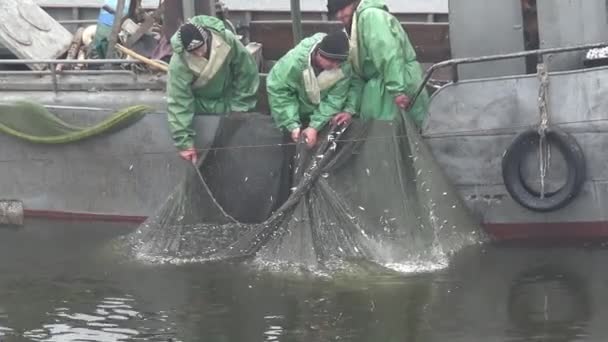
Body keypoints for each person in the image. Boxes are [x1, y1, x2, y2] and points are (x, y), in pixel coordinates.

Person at [167, 15, 260, 163]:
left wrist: (241, 106)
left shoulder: (226, 39)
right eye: (193, 52)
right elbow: (179, 101)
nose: (199, 54)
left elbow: (246, 71)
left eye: (200, 48)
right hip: (203, 106)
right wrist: (184, 143)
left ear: (207, 38)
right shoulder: (179, 62)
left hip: (232, 100)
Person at [326, 0, 430, 127]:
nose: (339, 15)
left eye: (342, 8)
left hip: (395, 84)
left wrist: (397, 90)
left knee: (396, 136)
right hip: (387, 86)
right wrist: (350, 110)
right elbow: (359, 74)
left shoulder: (370, 17)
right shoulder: (359, 21)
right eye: (336, 11)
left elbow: (387, 52)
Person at [267, 31, 352, 147]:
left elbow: (335, 100)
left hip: (322, 116)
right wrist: (292, 125)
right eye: (331, 61)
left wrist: (314, 127)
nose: (336, 66)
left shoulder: (344, 67)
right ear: (319, 54)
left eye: (339, 62)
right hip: (292, 112)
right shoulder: (294, 62)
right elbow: (279, 90)